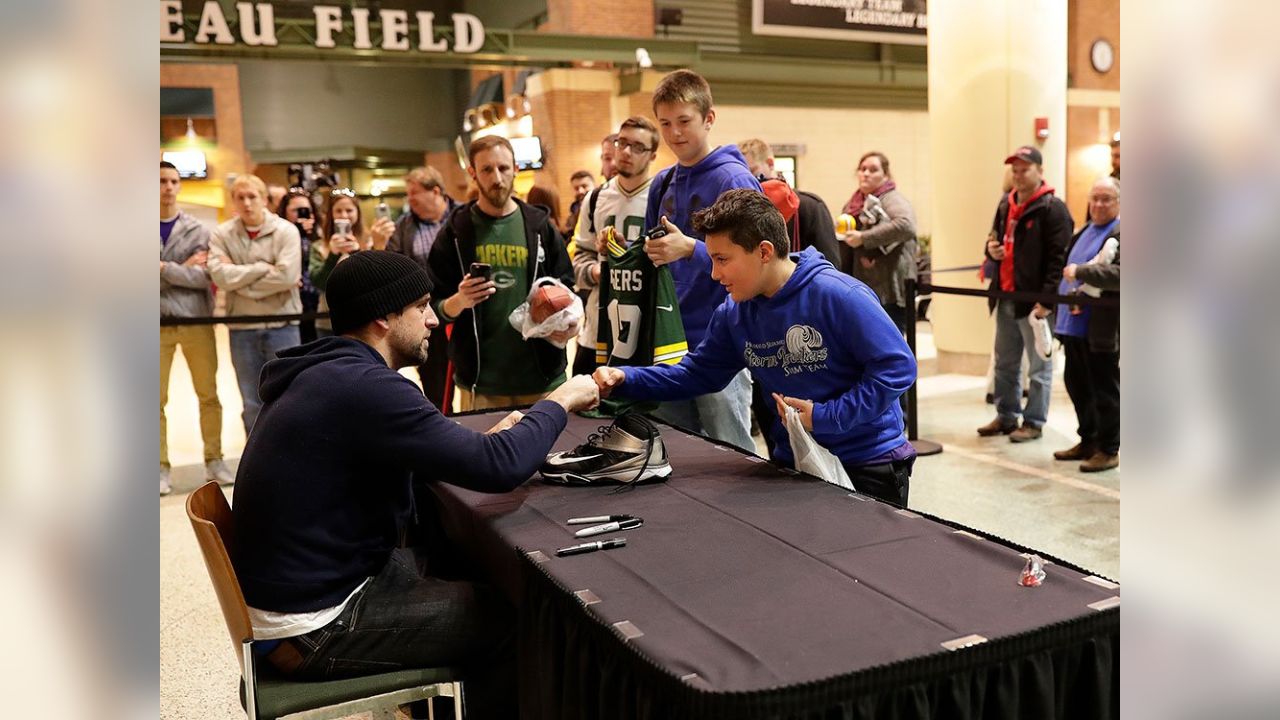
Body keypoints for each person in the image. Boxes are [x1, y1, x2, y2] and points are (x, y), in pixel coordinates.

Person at [229, 250, 601, 719]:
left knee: (462, 560)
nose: (431, 320)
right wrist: (560, 400)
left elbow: (438, 455)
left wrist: (474, 448)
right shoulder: (367, 388)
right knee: (513, 616)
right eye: (421, 306)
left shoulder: (329, 373)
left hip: (299, 599)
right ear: (384, 317)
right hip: (313, 626)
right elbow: (500, 467)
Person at [595, 189, 917, 505]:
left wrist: (827, 417)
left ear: (763, 251)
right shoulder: (733, 313)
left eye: (722, 260)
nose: (714, 273)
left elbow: (898, 367)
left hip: (868, 463)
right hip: (796, 463)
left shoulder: (839, 296)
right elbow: (697, 374)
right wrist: (626, 379)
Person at [643, 68, 762, 453]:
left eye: (684, 121)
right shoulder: (661, 183)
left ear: (708, 119)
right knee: (676, 450)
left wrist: (691, 249)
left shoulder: (733, 180)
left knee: (730, 455)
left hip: (722, 342)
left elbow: (758, 262)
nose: (675, 133)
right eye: (665, 123)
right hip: (672, 344)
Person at [427, 136, 578, 411]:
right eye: (486, 170)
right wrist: (458, 301)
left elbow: (568, 288)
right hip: (481, 383)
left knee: (550, 454)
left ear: (516, 169)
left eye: (503, 168)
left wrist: (568, 322)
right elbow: (430, 307)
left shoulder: (540, 226)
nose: (497, 178)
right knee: (483, 453)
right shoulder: (456, 232)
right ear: (473, 173)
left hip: (543, 379)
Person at [977, 145, 1072, 442]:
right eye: (1014, 170)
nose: (1018, 176)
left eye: (1024, 169)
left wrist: (1046, 300)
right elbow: (993, 240)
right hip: (1006, 296)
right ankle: (1006, 416)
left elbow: (1059, 259)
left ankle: (1033, 421)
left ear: (1040, 171)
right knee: (1005, 362)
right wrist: (991, 252)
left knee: (1039, 366)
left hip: (1035, 304)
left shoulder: (1053, 208)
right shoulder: (1006, 205)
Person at [208, 174, 303, 435]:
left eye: (253, 197)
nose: (247, 203)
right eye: (241, 198)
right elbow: (219, 276)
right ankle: (256, 460)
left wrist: (240, 280)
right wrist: (262, 268)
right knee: (251, 401)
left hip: (282, 325)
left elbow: (287, 276)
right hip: (242, 328)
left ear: (264, 200)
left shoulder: (286, 230)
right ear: (233, 202)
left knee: (288, 397)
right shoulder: (222, 233)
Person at [160, 161, 233, 495]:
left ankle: (214, 458)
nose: (168, 187)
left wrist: (161, 267)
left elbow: (204, 277)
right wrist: (179, 269)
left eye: (173, 181)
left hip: (195, 320)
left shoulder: (199, 230)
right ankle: (159, 466)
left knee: (208, 394)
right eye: (161, 181)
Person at [570, 116, 661, 378]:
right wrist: (598, 272)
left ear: (653, 155)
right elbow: (580, 257)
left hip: (646, 332)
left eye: (638, 147)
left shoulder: (662, 196)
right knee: (587, 409)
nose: (626, 152)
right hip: (598, 327)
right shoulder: (595, 198)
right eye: (622, 143)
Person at [1054, 177, 1121, 472]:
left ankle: (1108, 448)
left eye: (1106, 198)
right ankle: (1088, 440)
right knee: (1077, 385)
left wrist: (1081, 271)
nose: (1098, 204)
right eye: (1094, 198)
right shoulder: (1083, 231)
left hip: (1101, 327)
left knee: (1104, 390)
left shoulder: (1123, 231)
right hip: (1074, 325)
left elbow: (1121, 274)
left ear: (1120, 203)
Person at [387, 166, 459, 411]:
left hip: (466, 309)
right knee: (435, 384)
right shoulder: (404, 226)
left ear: (436, 191)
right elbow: (394, 261)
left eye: (414, 193)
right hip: (426, 315)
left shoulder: (464, 216)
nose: (410, 200)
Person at [839, 151, 919, 334]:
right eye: (862, 169)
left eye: (873, 170)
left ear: (886, 175)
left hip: (889, 292)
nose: (866, 173)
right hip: (864, 288)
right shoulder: (855, 202)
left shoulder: (891, 199)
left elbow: (906, 225)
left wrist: (864, 238)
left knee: (890, 345)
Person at [737, 138, 840, 266]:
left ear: (770, 164)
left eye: (752, 172)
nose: (749, 181)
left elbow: (830, 264)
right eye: (743, 176)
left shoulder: (810, 207)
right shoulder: (741, 211)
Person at [309, 188, 396, 336]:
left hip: (365, 319)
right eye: (338, 211)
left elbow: (372, 280)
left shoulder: (371, 241)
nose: (344, 215)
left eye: (349, 210)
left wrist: (356, 253)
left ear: (357, 213)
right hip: (327, 320)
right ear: (331, 214)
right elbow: (319, 283)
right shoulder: (319, 246)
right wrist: (332, 256)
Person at [276, 188, 322, 343]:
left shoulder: (319, 237)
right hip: (290, 299)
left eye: (306, 210)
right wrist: (297, 234)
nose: (301, 214)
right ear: (284, 212)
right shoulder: (278, 237)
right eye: (296, 210)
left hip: (316, 300)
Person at [563, 169, 596, 238]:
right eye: (576, 188)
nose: (580, 191)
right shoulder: (572, 214)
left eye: (584, 186)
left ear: (594, 186)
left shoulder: (603, 207)